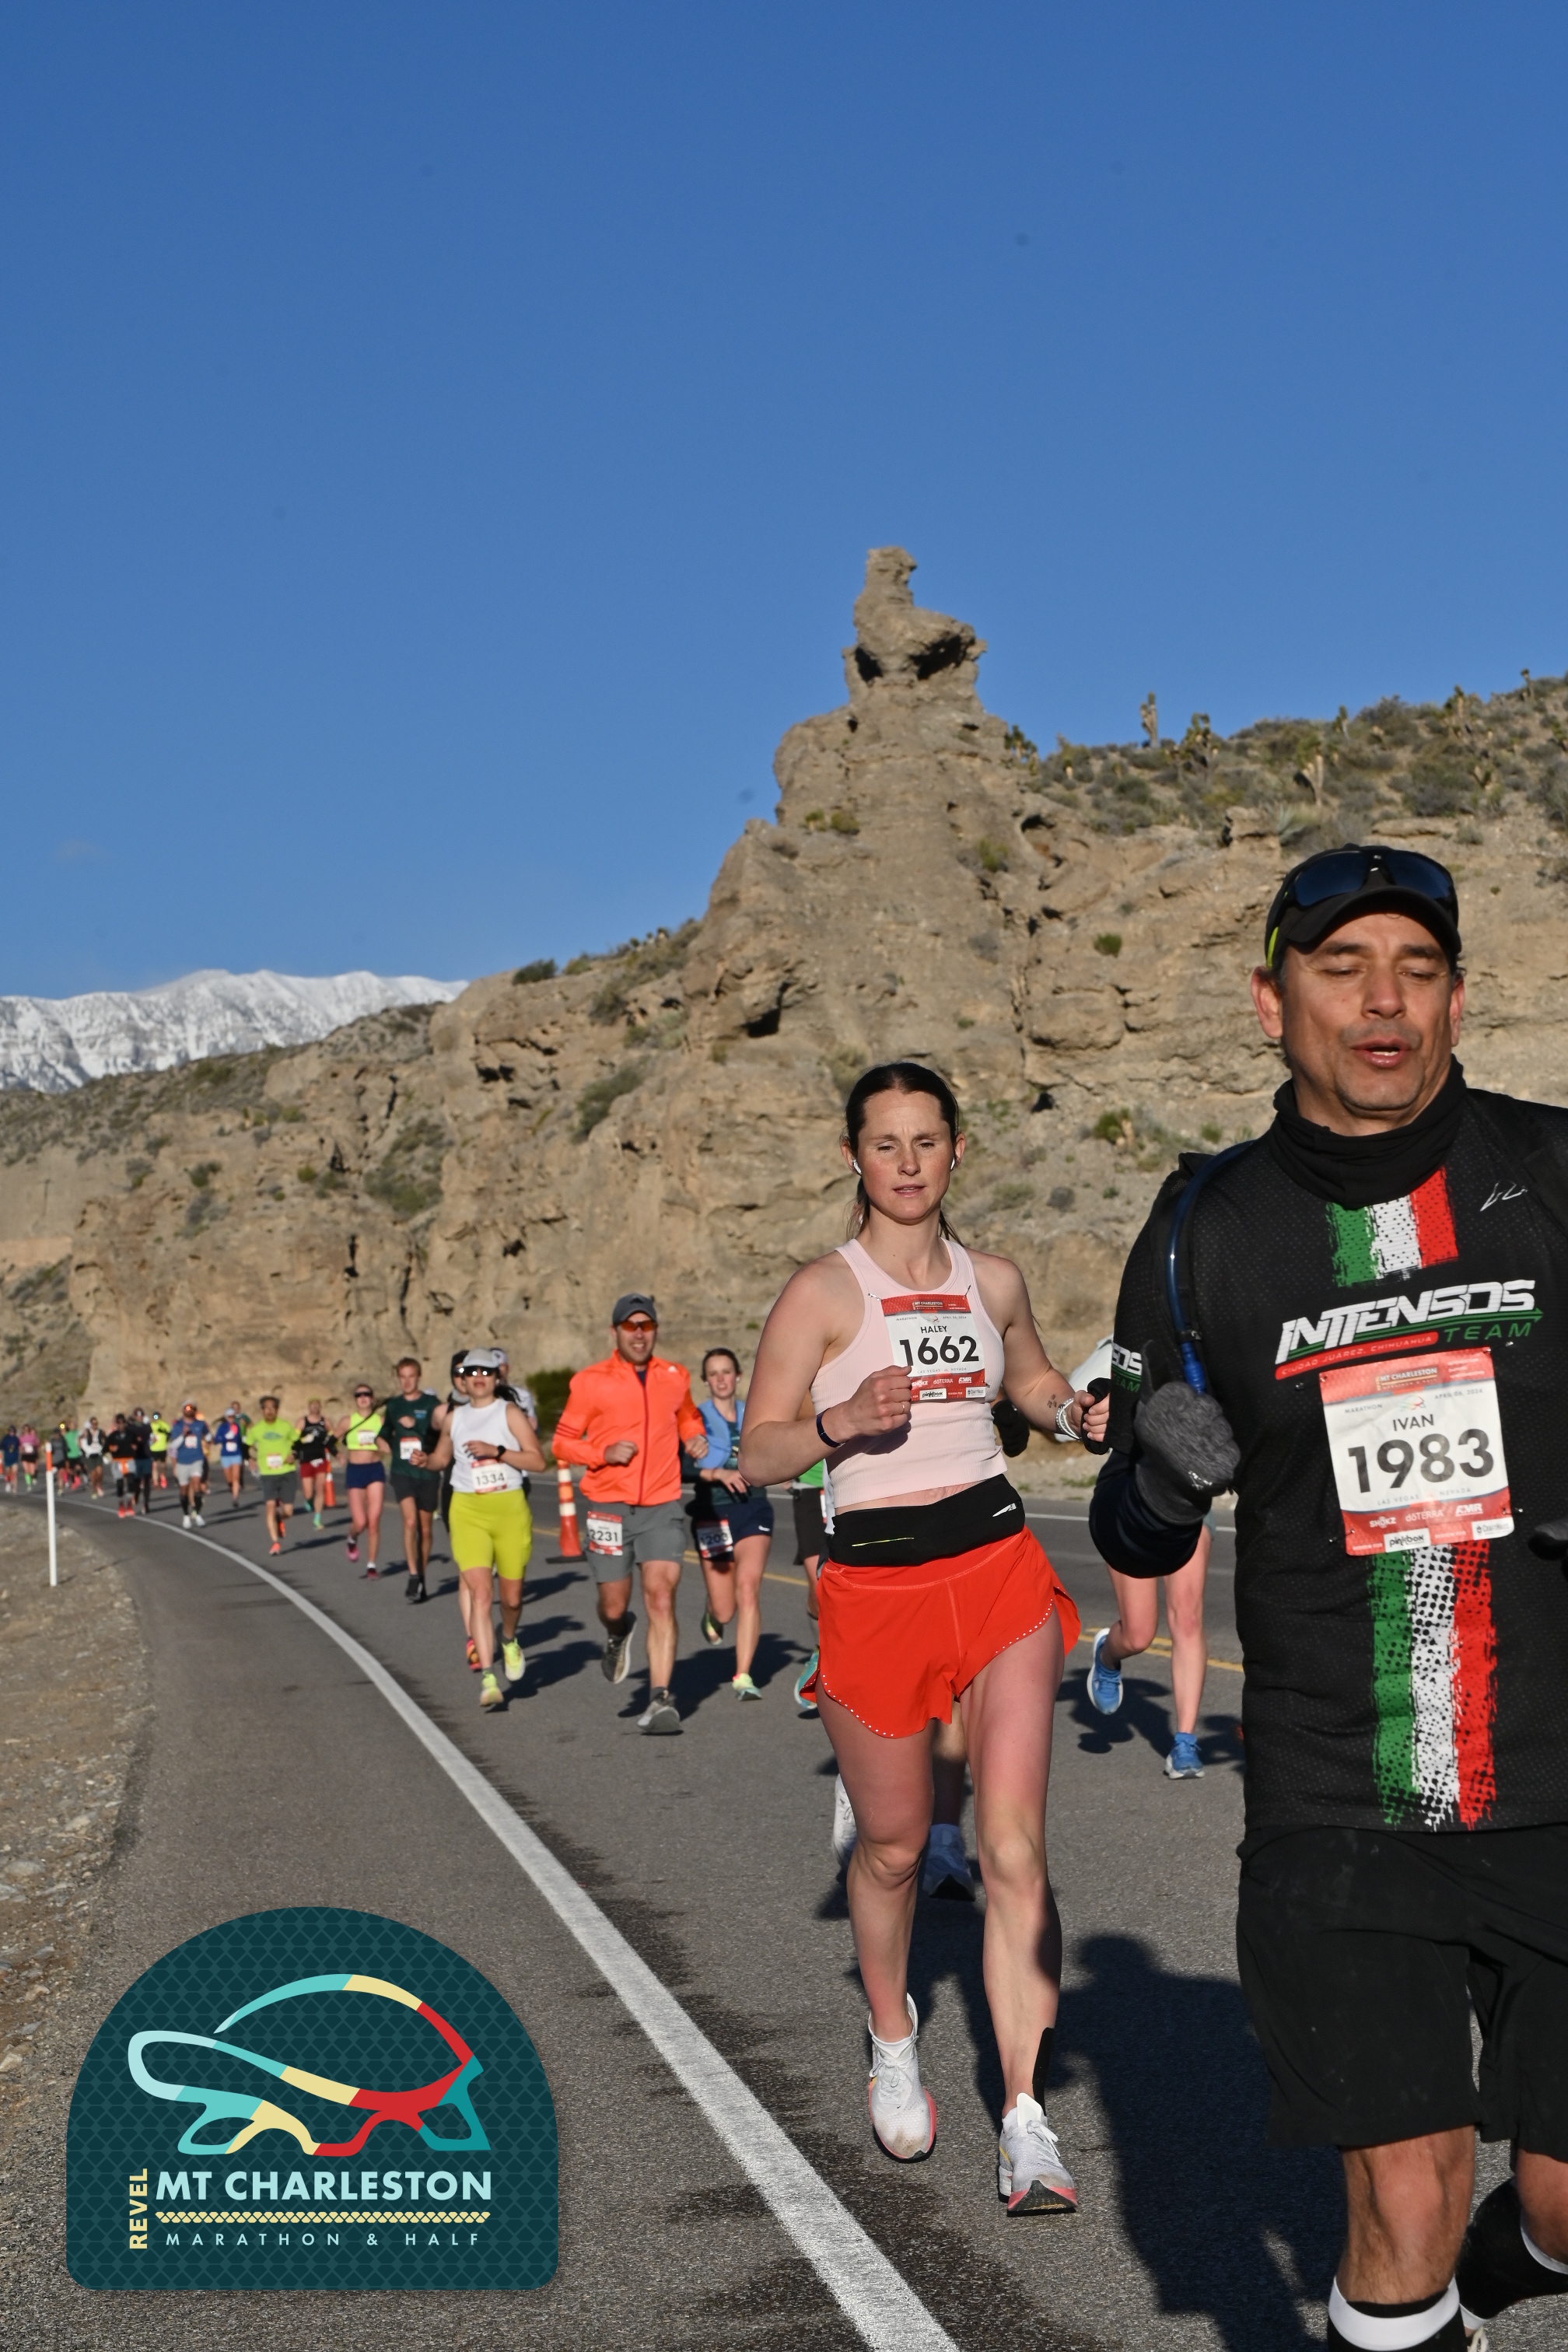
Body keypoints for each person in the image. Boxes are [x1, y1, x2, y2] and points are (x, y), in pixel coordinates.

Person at [1088, 844, 1568, 2350]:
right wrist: (1162, 1478)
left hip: (1560, 1767)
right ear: (1269, 1001)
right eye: (1342, 968)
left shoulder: (1553, 1173)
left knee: (1564, 2205)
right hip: (1339, 1785)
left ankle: (1509, 2269)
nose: (1383, 1003)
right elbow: (1131, 1532)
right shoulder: (1203, 1232)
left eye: (1417, 971)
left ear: (1457, 1000)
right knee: (1402, 2196)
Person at [739, 1060, 1106, 2208]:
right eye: (885, 1143)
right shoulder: (822, 1293)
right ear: (854, 1156)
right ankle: (892, 2034)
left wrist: (1072, 1409)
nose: (908, 1164)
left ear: (957, 1150)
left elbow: (1032, 1380)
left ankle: (1026, 2118)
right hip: (877, 1590)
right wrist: (838, 1422)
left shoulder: (993, 1279)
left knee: (1012, 1849)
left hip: (998, 1571)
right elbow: (757, 1450)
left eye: (927, 1141)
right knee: (896, 1847)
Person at [551, 1293, 709, 1734]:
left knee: (661, 1595)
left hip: (662, 1503)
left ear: (655, 1330)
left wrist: (694, 1437)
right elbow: (562, 1442)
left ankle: (660, 1699)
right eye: (630, 1326)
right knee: (613, 1604)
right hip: (608, 1507)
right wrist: (601, 1453)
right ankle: (618, 1630)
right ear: (615, 1332)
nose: (639, 1334)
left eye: (646, 1326)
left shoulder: (675, 1376)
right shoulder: (590, 1382)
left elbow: (688, 1418)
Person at [413, 1349, 544, 1713]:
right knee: (481, 1594)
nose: (479, 1377)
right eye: (471, 1372)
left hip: (509, 1509)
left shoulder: (509, 1412)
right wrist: (426, 1461)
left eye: (486, 1371)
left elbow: (537, 1460)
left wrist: (496, 1451)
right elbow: (442, 1458)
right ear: (462, 1379)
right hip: (467, 1510)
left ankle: (509, 1639)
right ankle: (489, 1678)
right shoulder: (455, 1418)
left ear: (496, 1377)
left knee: (512, 1600)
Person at [692, 1346, 775, 1698]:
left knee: (748, 1587)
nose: (721, 1379)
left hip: (753, 1508)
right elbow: (682, 1465)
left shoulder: (753, 1414)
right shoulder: (695, 1419)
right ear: (705, 1380)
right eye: (713, 1374)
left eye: (726, 1371)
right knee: (725, 1611)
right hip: (712, 1512)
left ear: (738, 1376)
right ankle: (712, 1611)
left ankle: (743, 1676)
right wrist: (715, 1473)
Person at [379, 1356, 444, 1601]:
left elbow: (440, 1433)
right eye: (402, 1377)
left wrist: (416, 1423)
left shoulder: (431, 1404)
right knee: (409, 1522)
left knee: (425, 1530)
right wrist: (382, 1442)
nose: (406, 1382)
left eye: (411, 1376)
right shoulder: (394, 1405)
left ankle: (422, 1575)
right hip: (402, 1471)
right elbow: (384, 1432)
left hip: (427, 1472)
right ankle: (413, 1574)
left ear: (419, 1377)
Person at [335, 1384, 386, 1576]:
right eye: (359, 1395)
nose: (363, 1398)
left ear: (372, 1398)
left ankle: (371, 1565)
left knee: (374, 1520)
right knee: (361, 1522)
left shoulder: (381, 1421)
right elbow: (328, 1441)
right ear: (355, 1399)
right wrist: (338, 1455)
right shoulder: (348, 1421)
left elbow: (392, 1441)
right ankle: (352, 1537)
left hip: (375, 1470)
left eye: (366, 1394)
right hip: (355, 1471)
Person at [247, 1395, 300, 1554]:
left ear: (277, 1410)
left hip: (287, 1471)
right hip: (268, 1474)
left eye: (273, 1408)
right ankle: (275, 1543)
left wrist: (294, 1454)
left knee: (288, 1511)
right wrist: (250, 1459)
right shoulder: (256, 1429)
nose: (269, 1411)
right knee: (270, 1506)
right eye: (267, 1408)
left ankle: (280, 1518)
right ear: (262, 1411)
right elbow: (245, 1446)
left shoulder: (285, 1426)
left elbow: (298, 1443)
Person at [166, 1402, 209, 1528]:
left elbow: (208, 1435)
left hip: (197, 1459)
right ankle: (186, 1515)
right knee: (184, 1491)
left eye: (191, 1408)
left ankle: (197, 1514)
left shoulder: (200, 1424)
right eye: (186, 1408)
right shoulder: (178, 1425)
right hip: (182, 1461)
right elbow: (173, 1446)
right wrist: (183, 1435)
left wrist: (208, 1440)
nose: (189, 1410)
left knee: (197, 1485)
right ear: (183, 1410)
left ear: (195, 1410)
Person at [293, 1400, 333, 1527]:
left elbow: (333, 1437)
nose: (315, 1407)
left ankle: (317, 1519)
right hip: (306, 1459)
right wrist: (303, 1440)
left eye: (317, 1404)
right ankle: (309, 1501)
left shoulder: (325, 1421)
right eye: (312, 1405)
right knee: (309, 1493)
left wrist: (333, 1448)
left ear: (320, 1407)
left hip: (320, 1459)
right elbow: (294, 1440)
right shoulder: (302, 1421)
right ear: (309, 1407)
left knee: (320, 1489)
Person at [211, 1404, 246, 1507]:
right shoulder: (222, 1427)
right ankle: (231, 1486)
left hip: (236, 1454)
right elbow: (217, 1440)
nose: (231, 1419)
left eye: (233, 1417)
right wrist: (225, 1437)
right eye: (230, 1417)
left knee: (236, 1477)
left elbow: (239, 1440)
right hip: (226, 1455)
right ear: (226, 1417)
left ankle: (235, 1498)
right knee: (229, 1478)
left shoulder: (237, 1427)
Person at [124, 1408, 154, 1516]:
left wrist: (153, 1441)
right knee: (136, 1482)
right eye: (138, 1415)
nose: (140, 1417)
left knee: (147, 1481)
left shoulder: (147, 1427)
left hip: (146, 1456)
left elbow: (151, 1438)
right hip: (135, 1458)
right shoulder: (130, 1428)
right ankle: (136, 1496)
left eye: (141, 1415)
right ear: (135, 1416)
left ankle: (146, 1504)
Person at [77, 1416, 104, 1497]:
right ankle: (94, 1489)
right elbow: (80, 1438)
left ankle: (99, 1486)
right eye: (93, 1423)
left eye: (96, 1423)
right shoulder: (87, 1432)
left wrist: (104, 1448)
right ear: (91, 1424)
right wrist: (82, 1448)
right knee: (93, 1474)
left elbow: (106, 1438)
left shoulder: (100, 1431)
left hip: (98, 1453)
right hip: (90, 1455)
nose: (95, 1425)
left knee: (100, 1472)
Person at [149, 1409, 170, 1490]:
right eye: (154, 1417)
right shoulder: (151, 1426)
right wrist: (151, 1441)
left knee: (163, 1465)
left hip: (162, 1448)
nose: (156, 1418)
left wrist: (166, 1440)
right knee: (154, 1466)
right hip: (153, 1448)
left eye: (157, 1417)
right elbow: (148, 1436)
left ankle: (163, 1476)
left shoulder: (164, 1425)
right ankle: (155, 1481)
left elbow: (169, 1434)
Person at [19, 1425, 38, 1492]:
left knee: (32, 1471)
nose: (26, 1431)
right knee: (26, 1470)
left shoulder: (32, 1437)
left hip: (31, 1455)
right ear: (23, 1430)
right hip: (25, 1455)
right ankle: (29, 1484)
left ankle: (33, 1478)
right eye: (25, 1429)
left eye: (27, 1429)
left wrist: (33, 1445)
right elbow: (19, 1446)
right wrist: (22, 1449)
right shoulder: (21, 1438)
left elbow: (37, 1444)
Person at [1, 1425, 18, 1495]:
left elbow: (19, 1446)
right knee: (8, 1472)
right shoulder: (5, 1439)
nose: (12, 1432)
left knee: (15, 1473)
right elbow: (1, 1446)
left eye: (13, 1431)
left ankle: (14, 1489)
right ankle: (8, 1483)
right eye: (11, 1431)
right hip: (7, 1458)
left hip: (15, 1458)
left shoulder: (16, 1439)